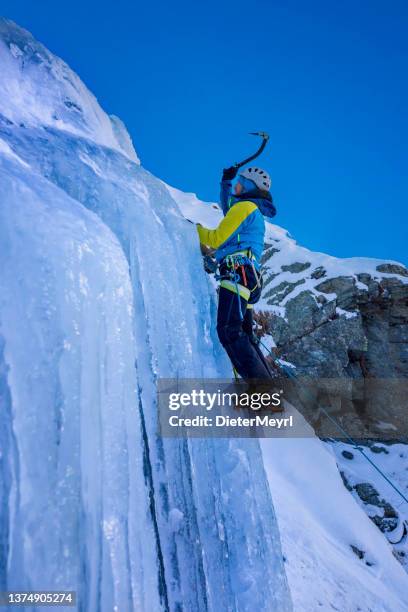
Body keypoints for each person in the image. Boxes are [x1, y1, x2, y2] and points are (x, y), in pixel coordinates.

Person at [197, 165, 276, 380]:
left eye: (241, 182)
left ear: (249, 185)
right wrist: (226, 182)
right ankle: (266, 391)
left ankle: (262, 393)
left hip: (237, 271)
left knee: (229, 331)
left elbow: (215, 239)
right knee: (246, 336)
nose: (237, 185)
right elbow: (229, 207)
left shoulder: (245, 208)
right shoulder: (250, 210)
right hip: (249, 277)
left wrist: (188, 230)